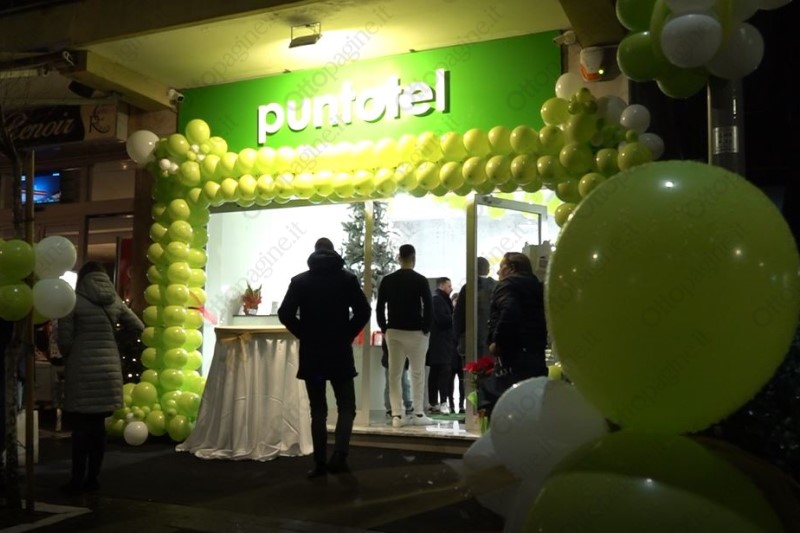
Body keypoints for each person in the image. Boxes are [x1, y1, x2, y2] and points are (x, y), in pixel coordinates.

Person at [278, 237, 371, 478]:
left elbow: (285, 313)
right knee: (346, 405)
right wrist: (347, 333)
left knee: (318, 409)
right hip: (339, 353)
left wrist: (304, 333)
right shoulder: (347, 279)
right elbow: (364, 311)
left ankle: (319, 462)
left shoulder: (300, 282)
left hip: (313, 356)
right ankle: (339, 455)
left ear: (314, 252)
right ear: (333, 252)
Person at [57, 261, 144, 493]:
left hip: (82, 368)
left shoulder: (73, 301)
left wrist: (74, 352)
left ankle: (76, 480)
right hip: (108, 369)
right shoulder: (114, 300)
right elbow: (138, 326)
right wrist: (113, 339)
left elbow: (64, 342)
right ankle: (93, 479)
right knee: (98, 427)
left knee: (80, 429)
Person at [376, 244, 434, 428]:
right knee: (417, 373)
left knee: (394, 374)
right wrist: (426, 328)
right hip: (416, 332)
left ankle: (397, 415)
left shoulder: (388, 280)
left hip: (394, 331)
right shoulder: (420, 280)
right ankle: (418, 413)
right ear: (414, 258)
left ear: (398, 258)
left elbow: (380, 306)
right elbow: (428, 306)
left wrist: (384, 327)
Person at [487, 252, 548, 382]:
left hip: (512, 356)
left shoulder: (508, 285)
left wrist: (498, 343)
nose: (498, 272)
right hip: (536, 353)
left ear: (512, 268)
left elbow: (509, 311)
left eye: (501, 267)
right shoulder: (537, 287)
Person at [426, 277, 457, 415]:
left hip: (438, 343)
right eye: (449, 286)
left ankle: (434, 403)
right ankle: (441, 402)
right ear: (442, 285)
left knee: (436, 373)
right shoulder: (438, 300)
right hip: (441, 343)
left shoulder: (439, 299)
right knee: (443, 373)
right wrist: (455, 317)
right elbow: (442, 320)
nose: (451, 288)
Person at [380, 338, 413, 418]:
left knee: (403, 384)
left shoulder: (389, 334)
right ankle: (390, 408)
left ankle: (406, 406)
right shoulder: (389, 334)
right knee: (397, 385)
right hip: (391, 362)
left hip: (397, 361)